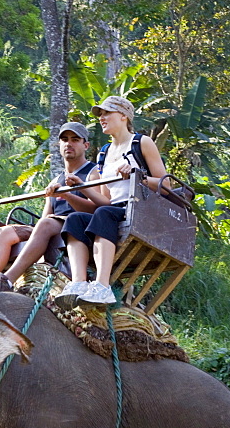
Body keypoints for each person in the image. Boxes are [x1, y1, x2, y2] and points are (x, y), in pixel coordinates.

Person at [59, 95, 168, 305]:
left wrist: (138, 175)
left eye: (107, 113)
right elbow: (106, 201)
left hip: (139, 209)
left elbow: (166, 186)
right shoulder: (103, 154)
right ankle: (79, 282)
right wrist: (79, 188)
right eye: (100, 114)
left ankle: (102, 285)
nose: (102, 117)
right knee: (75, 220)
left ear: (124, 116)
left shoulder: (141, 142)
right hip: (114, 210)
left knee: (104, 214)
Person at [0, 122, 97, 292]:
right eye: (65, 140)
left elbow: (96, 210)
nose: (69, 144)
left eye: (75, 140)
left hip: (77, 225)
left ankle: (7, 280)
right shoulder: (55, 181)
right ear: (59, 145)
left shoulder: (93, 173)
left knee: (47, 223)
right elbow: (45, 217)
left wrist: (67, 195)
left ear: (85, 145)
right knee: (3, 232)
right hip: (51, 225)